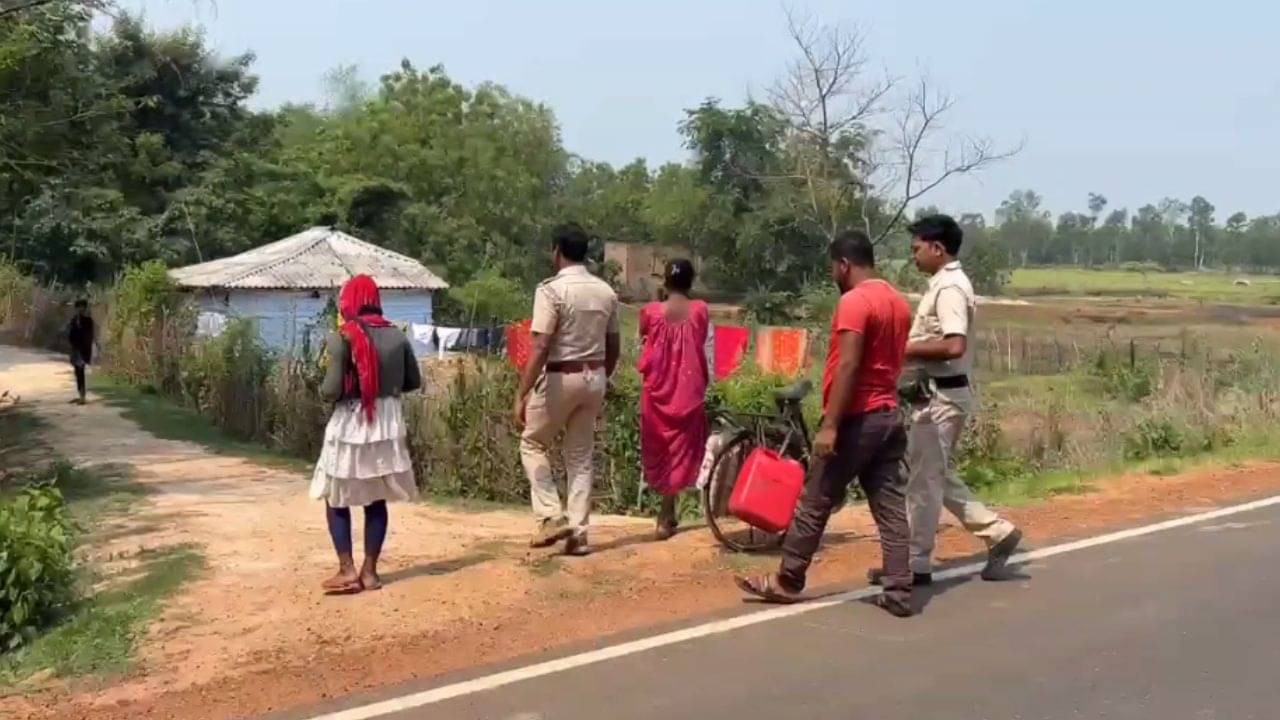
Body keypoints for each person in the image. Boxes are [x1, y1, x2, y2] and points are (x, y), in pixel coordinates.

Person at [736, 231, 915, 618]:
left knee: (815, 499)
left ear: (844, 265)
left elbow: (849, 364)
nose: (834, 274)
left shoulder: (855, 302)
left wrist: (831, 425)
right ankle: (900, 589)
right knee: (890, 507)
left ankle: (788, 581)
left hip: (857, 418)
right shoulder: (899, 303)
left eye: (834, 267)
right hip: (889, 414)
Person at [887, 214, 1022, 585]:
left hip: (941, 398)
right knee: (932, 475)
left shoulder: (949, 289)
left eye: (916, 248)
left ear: (937, 248)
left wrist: (902, 349)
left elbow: (953, 345)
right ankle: (998, 532)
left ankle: (915, 564)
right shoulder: (944, 284)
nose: (913, 256)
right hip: (940, 394)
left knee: (923, 483)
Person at [513, 222, 621, 556]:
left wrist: (522, 392)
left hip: (561, 376)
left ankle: (549, 515)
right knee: (580, 457)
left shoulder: (551, 290)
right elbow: (614, 345)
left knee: (532, 442)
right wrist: (602, 377)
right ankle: (579, 534)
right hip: (595, 376)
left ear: (557, 251)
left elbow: (541, 345)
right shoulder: (606, 292)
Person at [311, 274, 421, 595]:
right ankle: (369, 572)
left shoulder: (342, 337)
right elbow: (413, 381)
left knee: (336, 495)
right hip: (386, 423)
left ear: (350, 301)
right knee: (376, 497)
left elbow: (330, 391)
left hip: (351, 422)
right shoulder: (397, 336)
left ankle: (346, 569)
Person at [637, 259, 710, 541]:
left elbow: (643, 336)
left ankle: (665, 512)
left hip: (658, 392)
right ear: (691, 282)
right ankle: (668, 511)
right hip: (687, 392)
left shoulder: (650, 312)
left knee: (662, 448)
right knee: (682, 451)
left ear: (665, 282)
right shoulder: (700, 310)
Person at [67, 299, 96, 405]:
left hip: (83, 350)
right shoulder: (73, 320)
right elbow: (70, 335)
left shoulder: (88, 321)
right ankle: (80, 394)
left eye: (82, 307)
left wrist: (86, 348)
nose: (80, 309)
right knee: (77, 372)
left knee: (81, 372)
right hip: (75, 349)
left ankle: (82, 396)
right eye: (78, 307)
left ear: (85, 308)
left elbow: (89, 336)